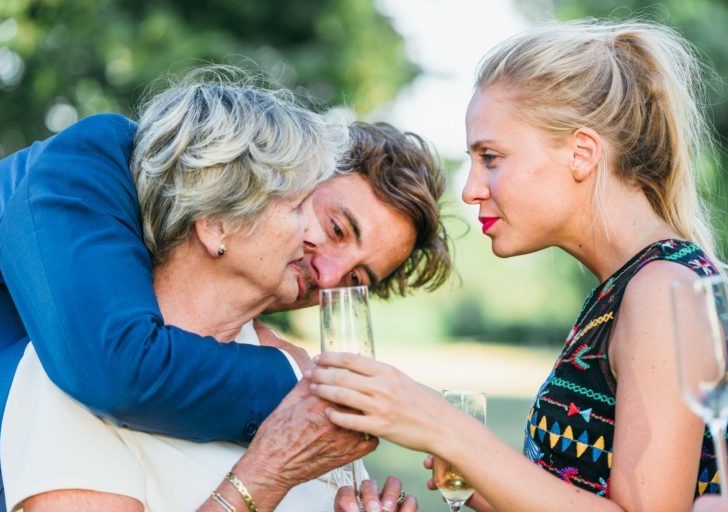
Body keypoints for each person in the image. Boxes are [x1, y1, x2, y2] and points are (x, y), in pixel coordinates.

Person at [0, 67, 451, 511]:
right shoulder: (89, 169)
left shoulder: (246, 366)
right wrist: (297, 384)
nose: (328, 274)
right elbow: (114, 370)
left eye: (355, 280)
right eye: (333, 226)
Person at [310, 18, 724, 511]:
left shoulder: (663, 288)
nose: (469, 190)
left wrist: (445, 428)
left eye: (491, 157)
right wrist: (450, 450)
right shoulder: (627, 288)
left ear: (581, 153)